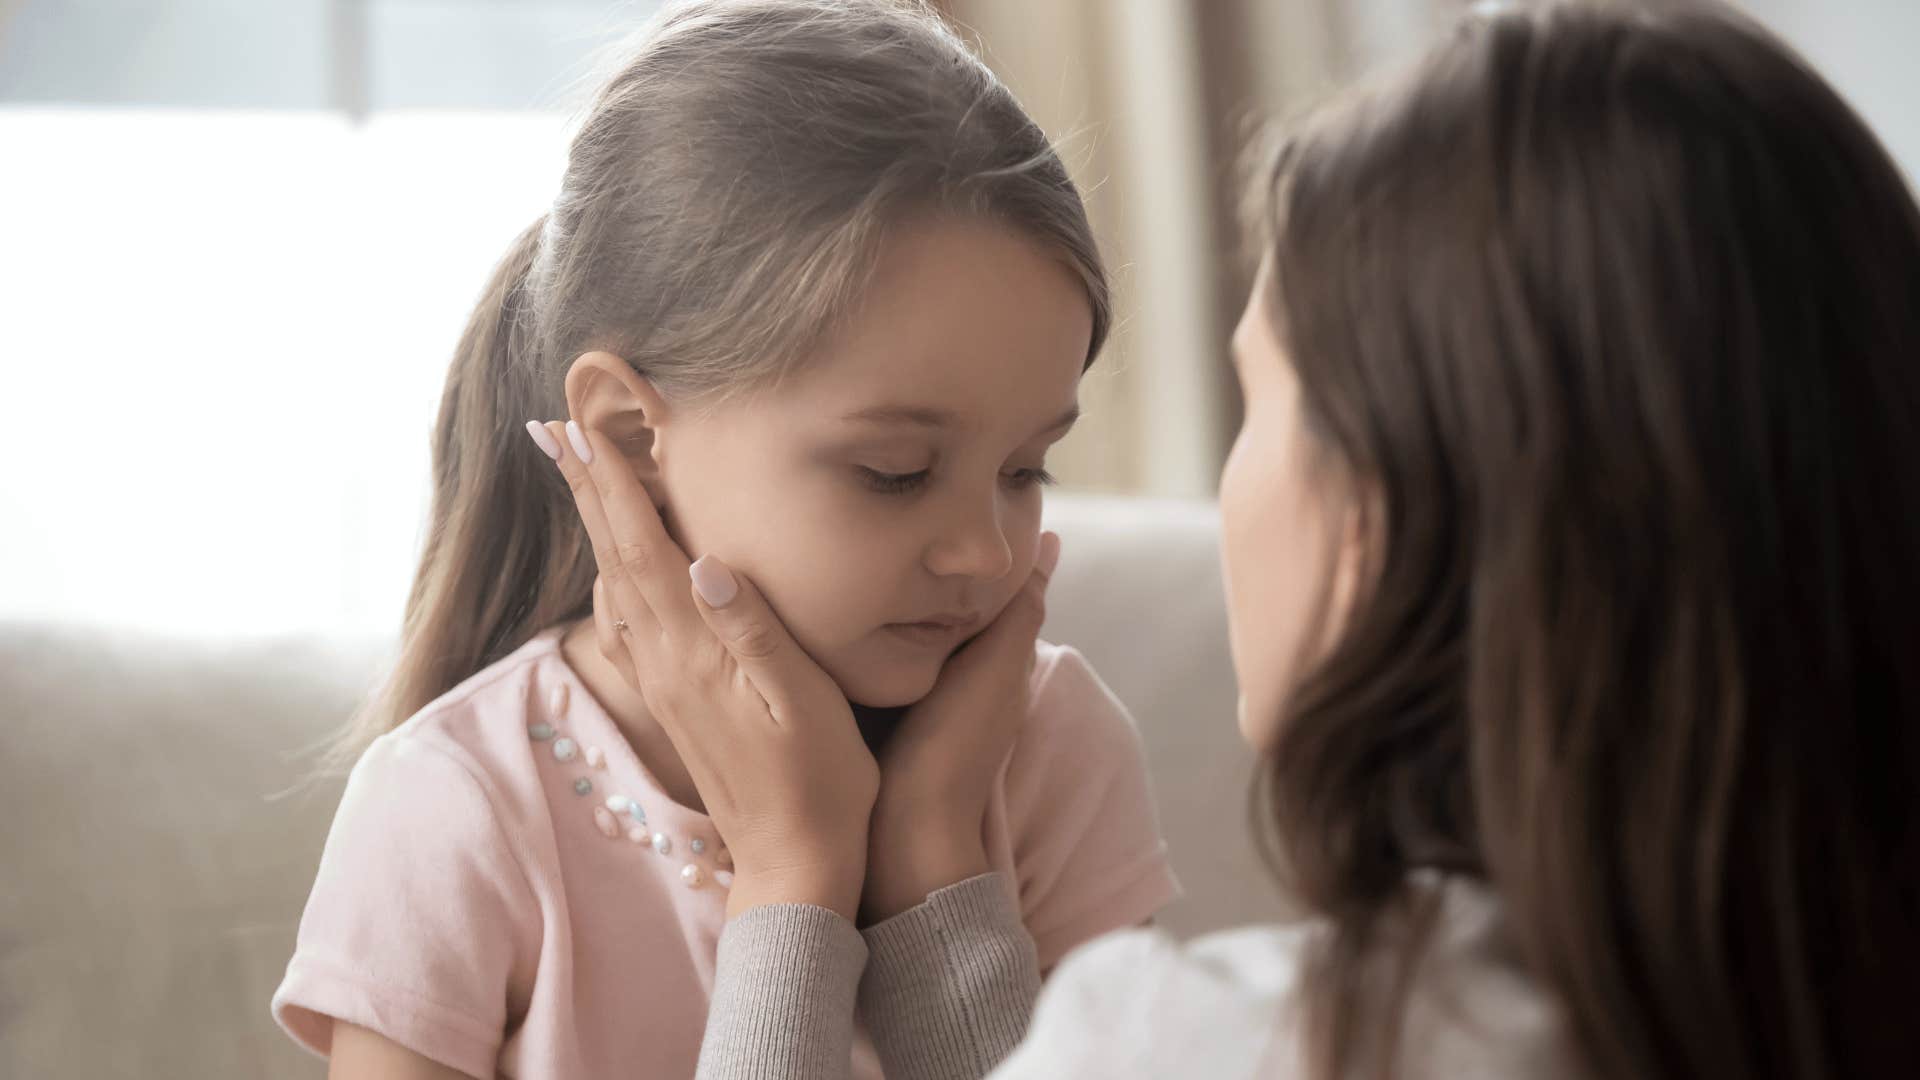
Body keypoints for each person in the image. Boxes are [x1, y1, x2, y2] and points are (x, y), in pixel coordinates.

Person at [552, 2, 1920, 1077]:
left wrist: (805, 880)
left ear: (1384, 511)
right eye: (900, 469)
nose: (982, 548)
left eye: (1262, 401)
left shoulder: (1223, 1047)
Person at [269, 2, 1181, 1075]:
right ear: (629, 432)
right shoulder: (455, 810)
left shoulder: (1047, 750)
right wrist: (796, 879)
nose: (986, 552)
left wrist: (937, 869)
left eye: (1027, 470)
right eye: (894, 473)